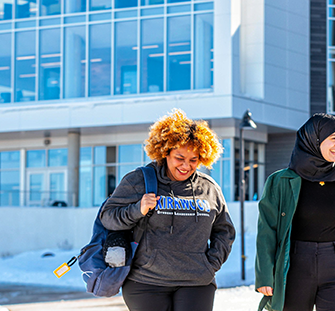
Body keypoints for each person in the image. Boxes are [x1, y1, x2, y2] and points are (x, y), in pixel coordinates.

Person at [100, 109, 236, 311]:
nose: (186, 166)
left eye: (193, 160)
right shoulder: (139, 180)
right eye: (179, 158)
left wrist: (210, 264)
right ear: (165, 153)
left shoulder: (209, 188)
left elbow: (224, 231)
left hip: (197, 281)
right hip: (146, 282)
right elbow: (108, 218)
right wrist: (138, 209)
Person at [255, 113, 335, 311]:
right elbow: (267, 230)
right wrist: (265, 275)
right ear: (313, 139)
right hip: (294, 266)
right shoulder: (280, 182)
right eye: (333, 138)